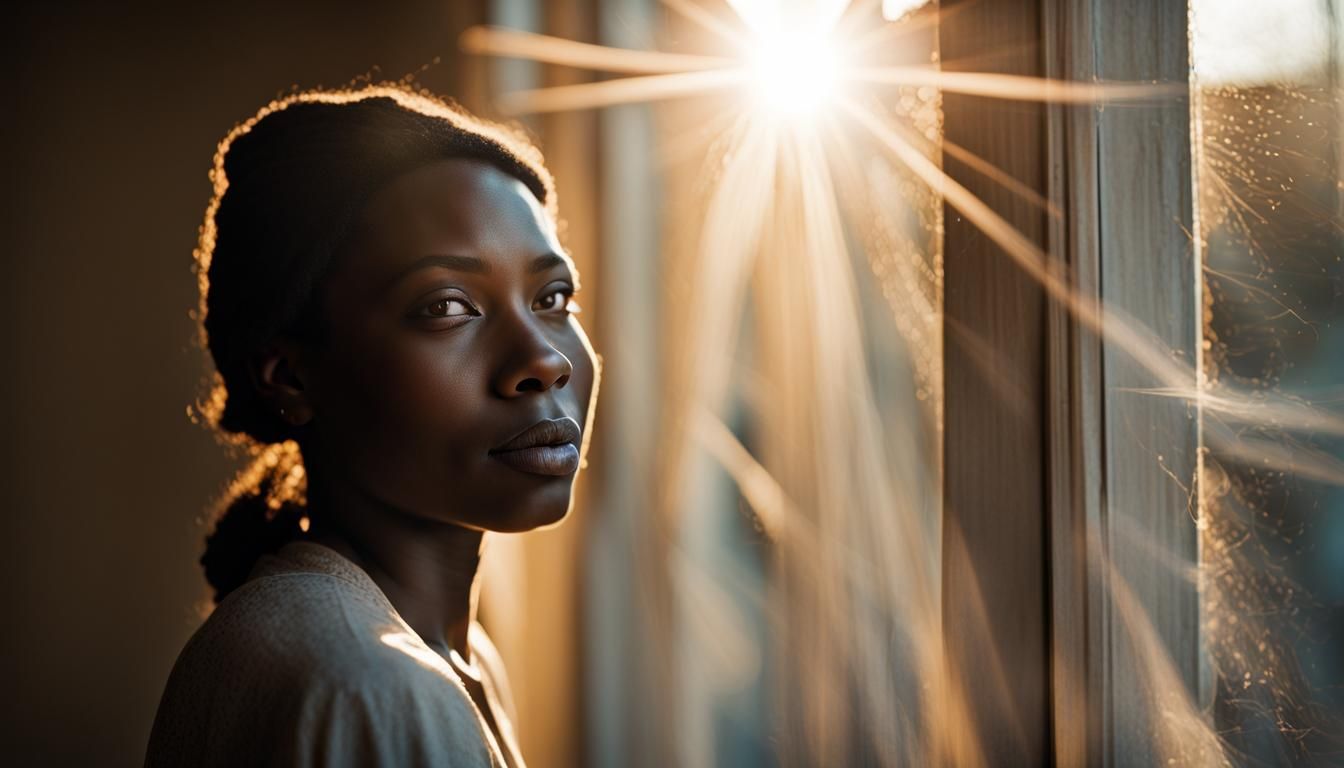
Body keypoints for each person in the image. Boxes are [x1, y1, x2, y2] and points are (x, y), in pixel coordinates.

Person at [145, 84, 601, 768]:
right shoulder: (368, 682)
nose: (543, 359)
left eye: (553, 298)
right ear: (290, 377)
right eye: (447, 306)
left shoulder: (437, 655)